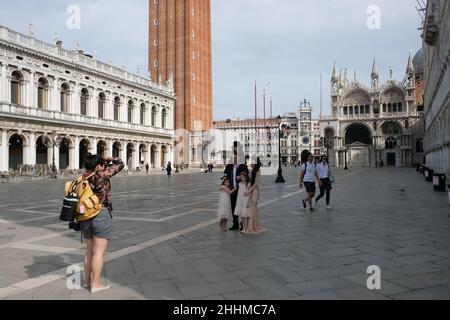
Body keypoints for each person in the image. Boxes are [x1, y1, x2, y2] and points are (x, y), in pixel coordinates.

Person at [80, 154, 124, 293]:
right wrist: (110, 158)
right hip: (100, 214)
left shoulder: (83, 177)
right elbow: (120, 163)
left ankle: (86, 282)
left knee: (88, 251)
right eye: (102, 164)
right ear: (98, 165)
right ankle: (96, 284)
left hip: (85, 215)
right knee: (98, 252)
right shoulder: (101, 175)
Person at [223, 152, 249, 230]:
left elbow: (246, 175)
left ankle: (242, 223)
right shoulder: (230, 166)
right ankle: (235, 224)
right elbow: (226, 176)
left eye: (236, 158)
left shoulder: (243, 166)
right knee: (233, 206)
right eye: (233, 158)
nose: (235, 160)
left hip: (240, 189)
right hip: (232, 189)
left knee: (241, 206)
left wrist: (240, 176)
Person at [243, 157, 266, 235]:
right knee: (252, 208)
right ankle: (250, 226)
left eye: (252, 162)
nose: (250, 163)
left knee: (253, 208)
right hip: (252, 190)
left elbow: (256, 184)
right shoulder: (252, 170)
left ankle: (251, 227)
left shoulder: (258, 171)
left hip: (255, 191)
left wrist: (249, 191)